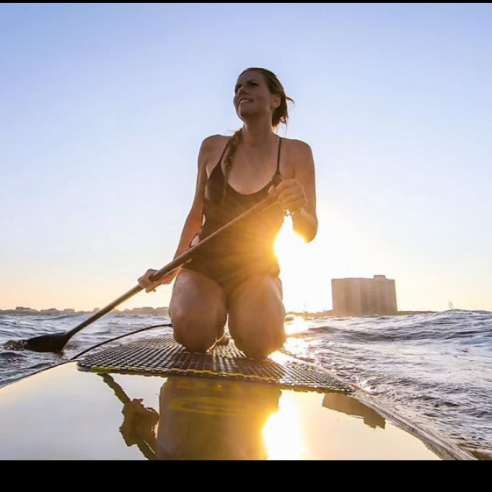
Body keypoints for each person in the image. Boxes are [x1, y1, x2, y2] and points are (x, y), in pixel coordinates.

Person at [138, 68, 317, 359]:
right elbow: (196, 213)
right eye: (236, 88)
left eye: (251, 84)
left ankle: (244, 313)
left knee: (261, 343)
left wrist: (297, 207)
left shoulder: (297, 153)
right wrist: (171, 268)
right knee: (194, 334)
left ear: (275, 100)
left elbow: (307, 232)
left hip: (257, 267)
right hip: (203, 264)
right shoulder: (212, 147)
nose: (240, 92)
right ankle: (213, 322)